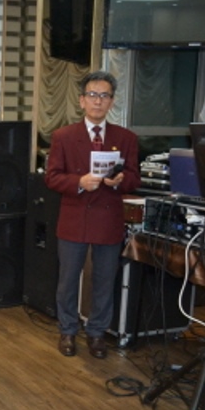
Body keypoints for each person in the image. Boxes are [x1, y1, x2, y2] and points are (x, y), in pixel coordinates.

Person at [45, 70, 141, 359]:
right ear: (82, 100)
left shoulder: (126, 138)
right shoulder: (63, 136)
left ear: (112, 101)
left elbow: (134, 177)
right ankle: (68, 330)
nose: (98, 101)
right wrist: (78, 182)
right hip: (74, 217)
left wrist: (120, 180)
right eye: (92, 95)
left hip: (108, 219)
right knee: (68, 280)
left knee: (104, 280)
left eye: (104, 96)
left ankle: (97, 333)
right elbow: (52, 177)